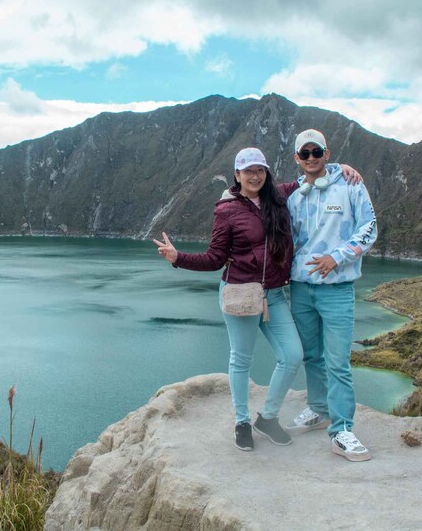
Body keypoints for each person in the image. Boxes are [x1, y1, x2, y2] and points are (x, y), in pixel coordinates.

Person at [153, 147, 363, 452]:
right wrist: (177, 257)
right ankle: (241, 421)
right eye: (248, 171)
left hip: (274, 294)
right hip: (240, 292)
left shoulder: (278, 196)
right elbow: (214, 259)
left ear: (266, 173)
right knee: (242, 359)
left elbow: (310, 175)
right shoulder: (226, 210)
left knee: (292, 355)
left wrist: (340, 167)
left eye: (260, 170)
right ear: (237, 175)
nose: (255, 176)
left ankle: (268, 417)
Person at [284, 129, 378, 462]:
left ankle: (341, 430)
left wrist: (336, 257)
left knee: (338, 362)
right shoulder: (294, 196)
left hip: (337, 289)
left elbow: (369, 227)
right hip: (301, 287)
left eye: (317, 151)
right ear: (297, 158)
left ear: (327, 152)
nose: (311, 157)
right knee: (312, 355)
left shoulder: (350, 184)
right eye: (304, 153)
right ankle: (318, 408)